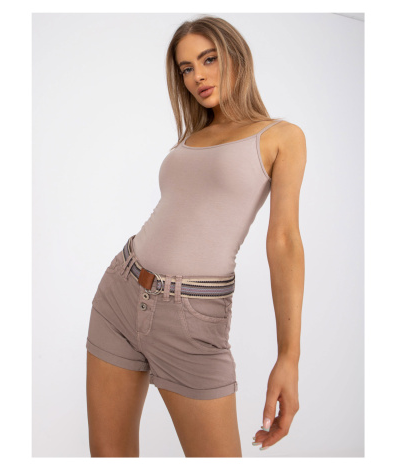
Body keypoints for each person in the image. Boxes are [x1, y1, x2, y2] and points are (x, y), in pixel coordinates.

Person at [85, 15, 306, 458]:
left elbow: (283, 241)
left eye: (208, 59)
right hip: (121, 292)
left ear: (236, 57)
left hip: (193, 317)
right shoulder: (194, 136)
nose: (197, 76)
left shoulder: (281, 137)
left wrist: (289, 357)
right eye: (186, 68)